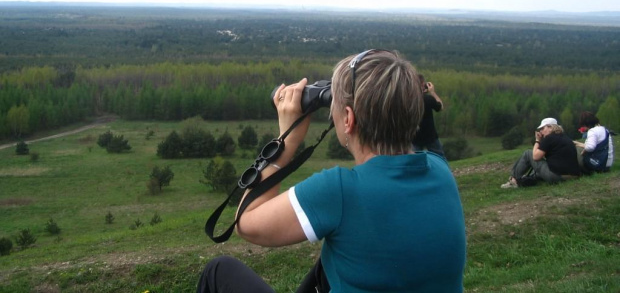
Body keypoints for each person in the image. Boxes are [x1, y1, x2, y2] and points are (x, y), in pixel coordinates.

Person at [197, 50, 467, 292]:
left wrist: (286, 141)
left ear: (348, 119)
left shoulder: (340, 191)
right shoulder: (440, 171)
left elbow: (246, 222)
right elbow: (427, 141)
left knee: (218, 271)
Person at [501, 117, 581, 189]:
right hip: (573, 176)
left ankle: (513, 180)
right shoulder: (565, 137)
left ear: (550, 127)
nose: (541, 131)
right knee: (537, 172)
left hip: (558, 176)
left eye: (543, 128)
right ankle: (528, 179)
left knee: (528, 153)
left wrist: (537, 140)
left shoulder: (549, 138)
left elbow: (535, 157)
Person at [412, 73, 445, 157]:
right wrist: (432, 93)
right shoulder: (428, 99)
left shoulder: (407, 99)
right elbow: (440, 107)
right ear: (423, 84)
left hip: (413, 137)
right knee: (440, 158)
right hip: (430, 136)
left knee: (415, 160)